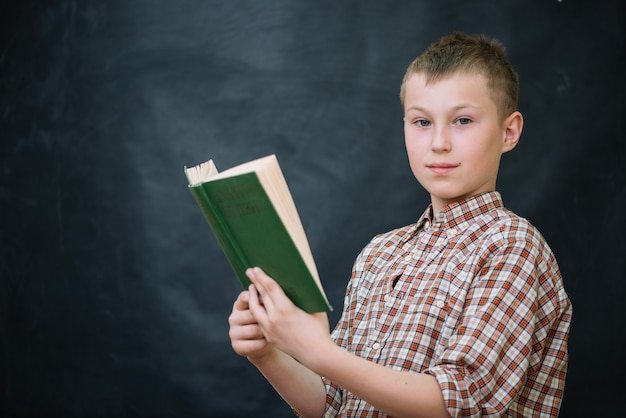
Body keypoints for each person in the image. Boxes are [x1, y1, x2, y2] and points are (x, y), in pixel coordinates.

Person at [227, 31, 572, 417]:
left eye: (462, 120)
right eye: (422, 122)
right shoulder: (380, 253)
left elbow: (456, 402)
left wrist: (317, 352)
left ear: (508, 132)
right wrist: (268, 353)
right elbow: (334, 402)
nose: (439, 142)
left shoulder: (511, 244)